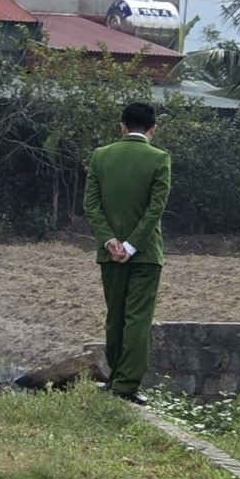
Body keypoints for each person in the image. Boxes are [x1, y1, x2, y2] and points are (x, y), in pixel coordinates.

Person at [84, 100, 171, 401]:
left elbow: (91, 205)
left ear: (122, 126)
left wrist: (111, 241)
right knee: (137, 319)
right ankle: (126, 386)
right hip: (145, 255)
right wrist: (133, 246)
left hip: (109, 253)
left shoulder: (101, 156)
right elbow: (155, 209)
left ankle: (114, 377)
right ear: (153, 129)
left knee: (115, 315)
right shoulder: (160, 160)